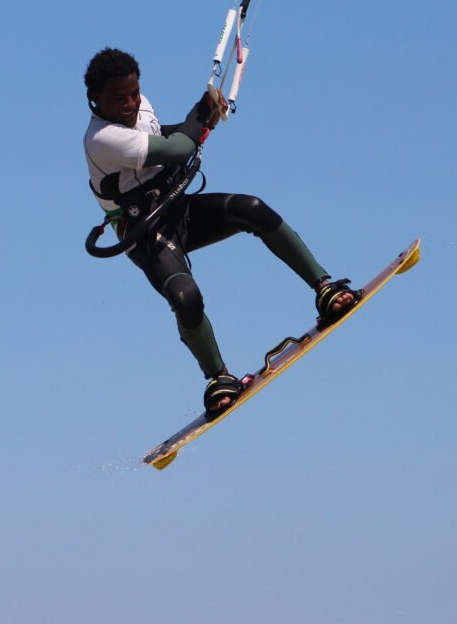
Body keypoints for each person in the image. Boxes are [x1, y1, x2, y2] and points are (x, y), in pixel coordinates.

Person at [83, 47, 358, 420]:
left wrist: (204, 111)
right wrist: (202, 114)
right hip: (145, 232)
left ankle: (325, 288)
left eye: (135, 92)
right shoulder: (102, 138)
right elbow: (178, 148)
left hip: (176, 208)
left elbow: (166, 134)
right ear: (95, 99)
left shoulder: (139, 105)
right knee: (185, 297)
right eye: (120, 98)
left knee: (252, 209)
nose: (131, 102)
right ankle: (218, 378)